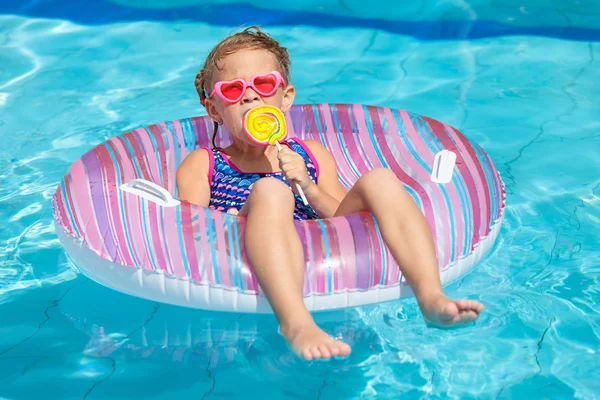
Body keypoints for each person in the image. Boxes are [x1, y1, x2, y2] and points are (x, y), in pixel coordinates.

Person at [177, 26, 484, 361]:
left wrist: (306, 185)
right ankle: (295, 323)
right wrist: (228, 222)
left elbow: (341, 216)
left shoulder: (309, 154)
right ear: (214, 110)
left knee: (380, 179)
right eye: (233, 90)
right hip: (250, 247)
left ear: (286, 97)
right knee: (270, 190)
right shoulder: (204, 163)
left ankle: (430, 296)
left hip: (321, 248)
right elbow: (188, 231)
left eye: (263, 85)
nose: (250, 97)